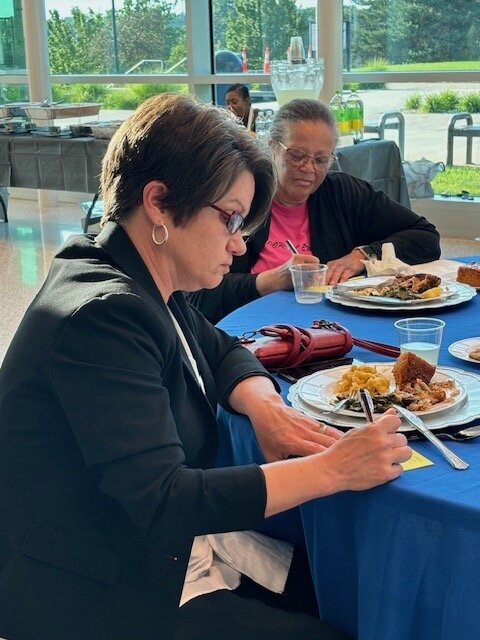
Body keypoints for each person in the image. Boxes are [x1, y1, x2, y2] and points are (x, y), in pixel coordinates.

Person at [0, 94, 411, 640]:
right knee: (343, 619)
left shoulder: (141, 280)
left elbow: (221, 349)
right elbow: (166, 500)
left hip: (156, 548)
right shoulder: (104, 317)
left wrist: (263, 403)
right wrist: (331, 470)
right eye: (231, 219)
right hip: (102, 585)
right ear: (160, 204)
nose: (241, 245)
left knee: (351, 591)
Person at [188, 98, 441, 324]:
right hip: (253, 331)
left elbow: (426, 237)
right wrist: (270, 280)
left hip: (335, 328)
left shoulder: (342, 193)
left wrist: (362, 256)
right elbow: (196, 296)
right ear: (272, 147)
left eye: (321, 160)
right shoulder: (240, 198)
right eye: (297, 155)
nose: (309, 168)